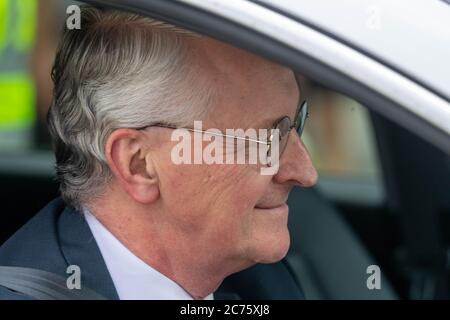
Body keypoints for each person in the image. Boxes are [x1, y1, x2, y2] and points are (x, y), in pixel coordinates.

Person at [0, 6, 317, 300]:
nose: (305, 171)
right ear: (138, 164)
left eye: (295, 125)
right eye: (266, 138)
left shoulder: (261, 281)